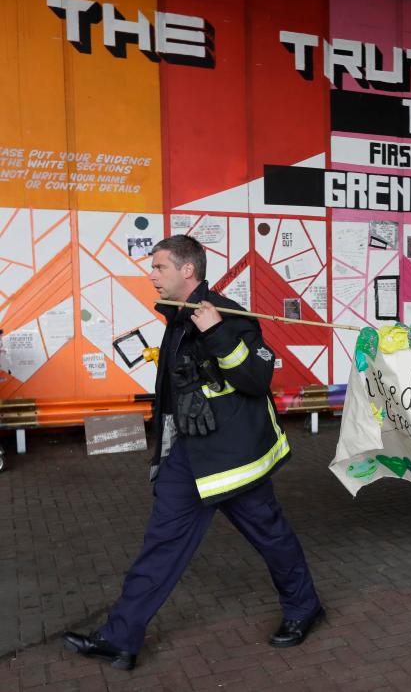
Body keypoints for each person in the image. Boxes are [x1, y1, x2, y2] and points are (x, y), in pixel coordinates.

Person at [64, 235, 322, 670]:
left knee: (271, 537)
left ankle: (304, 608)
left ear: (188, 270)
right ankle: (120, 637)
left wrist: (218, 331)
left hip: (234, 461)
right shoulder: (178, 318)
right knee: (161, 543)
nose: (151, 275)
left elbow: (257, 379)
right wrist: (164, 454)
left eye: (159, 267)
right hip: (189, 457)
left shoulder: (229, 316)